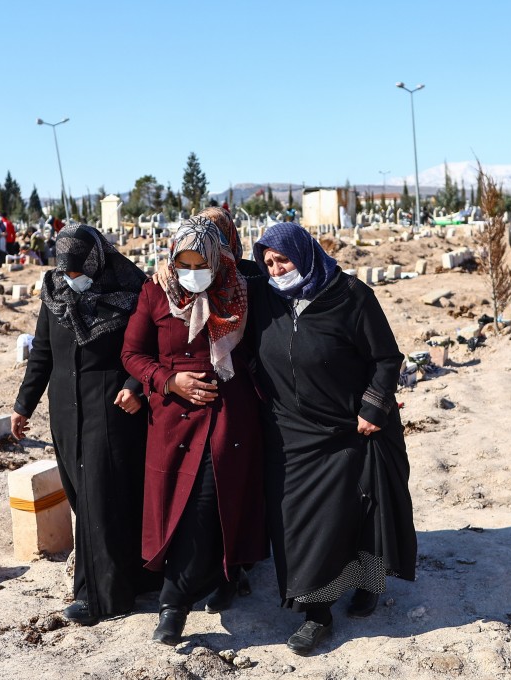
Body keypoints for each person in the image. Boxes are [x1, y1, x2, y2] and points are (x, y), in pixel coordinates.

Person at [249, 223, 416, 656]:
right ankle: (316, 612)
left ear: (304, 253)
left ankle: (365, 584)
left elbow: (386, 358)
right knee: (297, 522)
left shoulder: (351, 296)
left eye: (282, 259)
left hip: (350, 427)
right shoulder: (264, 299)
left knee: (360, 513)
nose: (276, 269)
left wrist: (373, 408)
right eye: (267, 262)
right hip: (290, 434)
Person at [121, 216, 267, 646]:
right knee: (178, 507)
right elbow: (132, 353)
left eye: (200, 261)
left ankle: (175, 603)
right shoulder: (156, 291)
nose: (192, 271)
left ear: (217, 257)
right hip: (172, 419)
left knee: (213, 501)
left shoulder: (239, 287)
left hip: (228, 414)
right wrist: (167, 381)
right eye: (183, 262)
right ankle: (198, 585)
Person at [11, 223, 156, 624]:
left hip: (111, 411)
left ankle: (101, 597)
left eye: (78, 271)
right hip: (66, 410)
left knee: (101, 500)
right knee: (85, 499)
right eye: (66, 271)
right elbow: (42, 351)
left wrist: (135, 387)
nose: (72, 279)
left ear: (95, 260)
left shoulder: (129, 290)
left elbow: (148, 347)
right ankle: (135, 579)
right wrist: (24, 404)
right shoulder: (54, 290)